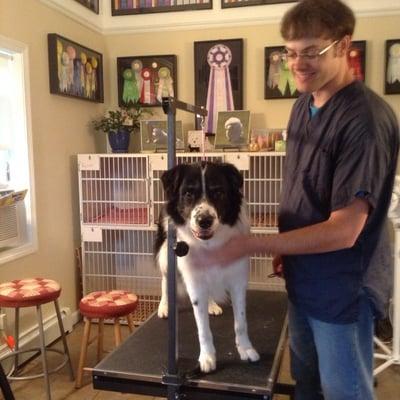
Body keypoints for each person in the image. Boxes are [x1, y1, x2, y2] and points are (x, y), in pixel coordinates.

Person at [194, 1, 400, 399]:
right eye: (290, 52)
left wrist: (254, 243)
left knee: (345, 391)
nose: (298, 64)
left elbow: (344, 231)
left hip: (341, 289)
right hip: (303, 279)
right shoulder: (302, 105)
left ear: (344, 46)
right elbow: (304, 188)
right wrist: (287, 248)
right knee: (306, 384)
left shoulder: (365, 121)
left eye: (311, 52)